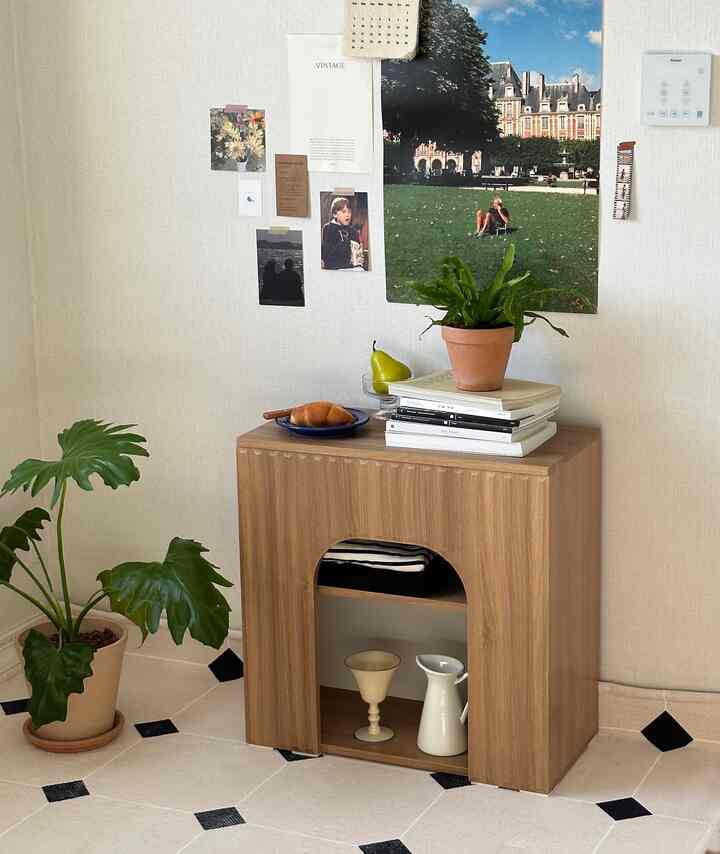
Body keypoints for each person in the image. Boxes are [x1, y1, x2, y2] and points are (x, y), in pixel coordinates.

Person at [321, 197, 365, 270]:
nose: (347, 215)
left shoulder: (353, 231)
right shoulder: (328, 228)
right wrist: (345, 244)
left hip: (352, 268)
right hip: (335, 268)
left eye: (349, 212)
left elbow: (357, 254)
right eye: (344, 212)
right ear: (335, 214)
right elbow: (326, 255)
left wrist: (359, 256)